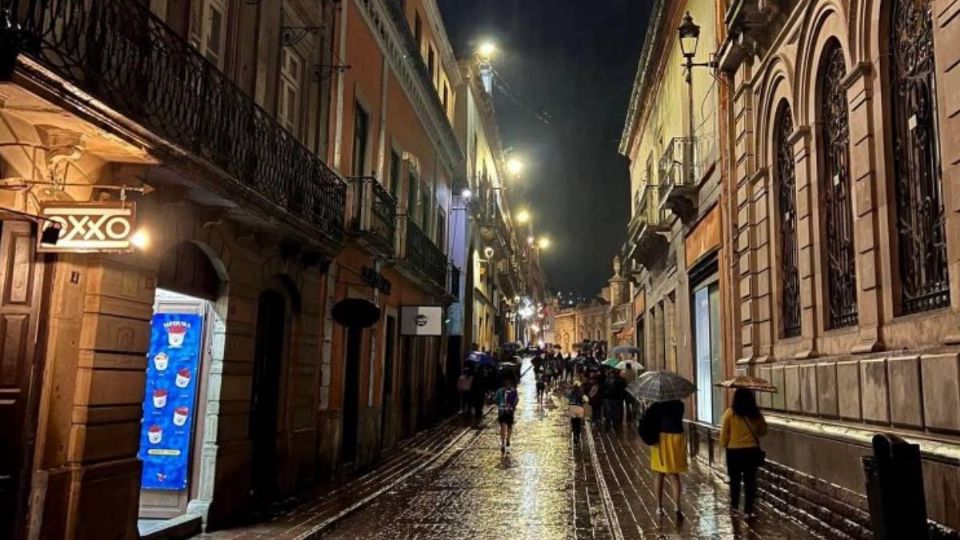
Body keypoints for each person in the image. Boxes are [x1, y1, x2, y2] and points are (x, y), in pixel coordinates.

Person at [720, 388, 767, 517]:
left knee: (735, 481)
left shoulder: (730, 413)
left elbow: (724, 434)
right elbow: (763, 431)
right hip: (751, 451)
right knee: (750, 481)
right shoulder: (755, 414)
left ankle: (734, 508)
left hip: (734, 452)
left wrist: (724, 445)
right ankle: (748, 510)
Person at [644, 399, 688, 518]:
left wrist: (648, 407)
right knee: (674, 475)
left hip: (661, 440)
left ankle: (659, 507)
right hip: (676, 439)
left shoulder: (656, 405)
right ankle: (677, 506)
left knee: (659, 475)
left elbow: (649, 421)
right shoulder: (680, 404)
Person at [494, 377, 519, 455]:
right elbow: (495, 399)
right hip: (505, 412)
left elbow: (516, 399)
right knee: (505, 426)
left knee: (507, 426)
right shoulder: (509, 391)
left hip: (506, 411)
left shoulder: (511, 391)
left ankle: (506, 440)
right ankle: (504, 441)